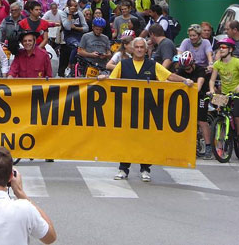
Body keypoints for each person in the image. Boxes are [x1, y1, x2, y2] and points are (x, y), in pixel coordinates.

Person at [99, 37, 194, 181]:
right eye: (136, 47)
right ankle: (123, 169)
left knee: (146, 141)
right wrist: (103, 79)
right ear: (132, 49)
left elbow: (168, 76)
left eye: (141, 47)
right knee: (127, 140)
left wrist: (184, 80)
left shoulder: (153, 65)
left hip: (147, 110)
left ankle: (145, 169)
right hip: (127, 110)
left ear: (146, 49)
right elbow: (112, 80)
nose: (138, 49)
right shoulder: (122, 65)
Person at [176, 51, 212, 160]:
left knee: (201, 121)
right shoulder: (181, 70)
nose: (187, 70)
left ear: (192, 64)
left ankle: (208, 147)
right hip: (187, 95)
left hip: (201, 95)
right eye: (185, 69)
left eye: (188, 68)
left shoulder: (200, 70)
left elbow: (199, 85)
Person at [207, 37, 239, 134]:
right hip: (225, 94)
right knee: (219, 115)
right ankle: (220, 145)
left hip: (236, 94)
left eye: (224, 47)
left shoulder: (236, 62)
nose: (221, 49)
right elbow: (212, 80)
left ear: (230, 49)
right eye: (220, 47)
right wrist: (212, 90)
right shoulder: (217, 64)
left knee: (237, 116)